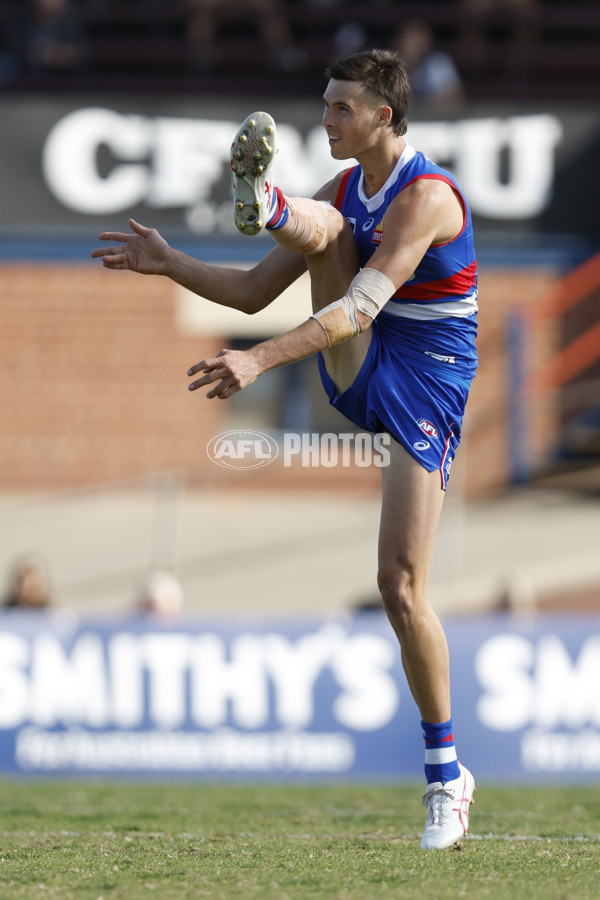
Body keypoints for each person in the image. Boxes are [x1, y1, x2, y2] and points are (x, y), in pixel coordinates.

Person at [91, 48, 476, 851]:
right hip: (362, 360)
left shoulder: (430, 196)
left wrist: (258, 359)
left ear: (385, 118)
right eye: (325, 104)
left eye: (342, 109)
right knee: (329, 225)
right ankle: (268, 205)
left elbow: (361, 307)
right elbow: (251, 293)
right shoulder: (345, 190)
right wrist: (168, 264)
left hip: (426, 381)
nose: (326, 119)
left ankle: (448, 777)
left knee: (400, 586)